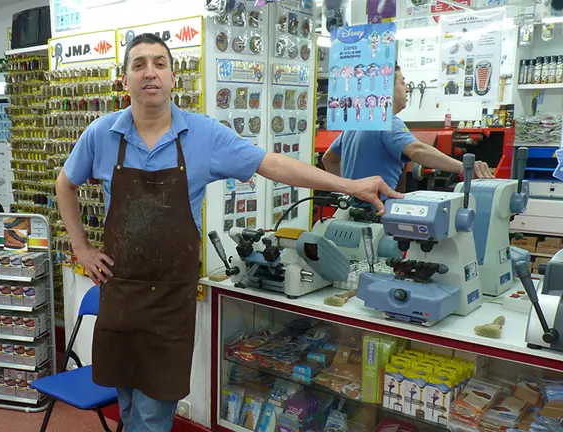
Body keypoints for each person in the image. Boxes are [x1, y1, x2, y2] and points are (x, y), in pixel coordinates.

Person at [55, 33, 402, 432]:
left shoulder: (203, 135)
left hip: (169, 302)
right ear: (125, 78)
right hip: (121, 297)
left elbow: (272, 164)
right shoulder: (101, 135)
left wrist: (350, 185)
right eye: (138, 64)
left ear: (173, 78)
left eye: (159, 63)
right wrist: (80, 247)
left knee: (150, 418)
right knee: (130, 406)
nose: (149, 72)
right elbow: (66, 183)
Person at [321, 65, 494, 192]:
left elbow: (329, 159)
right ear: (387, 88)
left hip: (351, 210)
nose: (407, 88)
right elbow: (417, 150)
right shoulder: (388, 122)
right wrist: (464, 167)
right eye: (402, 82)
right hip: (377, 214)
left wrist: (346, 190)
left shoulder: (358, 122)